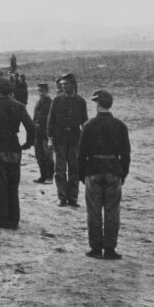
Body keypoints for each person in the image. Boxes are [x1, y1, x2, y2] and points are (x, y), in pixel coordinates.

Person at [77, 90, 131, 260]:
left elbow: (81, 154)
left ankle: (95, 248)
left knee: (93, 210)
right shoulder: (120, 126)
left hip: (93, 170)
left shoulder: (88, 125)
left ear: (98, 105)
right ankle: (110, 248)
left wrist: (82, 174)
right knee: (112, 210)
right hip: (114, 170)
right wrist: (123, 173)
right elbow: (126, 154)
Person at [0, 80, 35, 229]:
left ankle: (1, 219)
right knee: (13, 185)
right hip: (14, 147)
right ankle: (14, 219)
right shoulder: (19, 106)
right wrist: (28, 143)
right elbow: (31, 127)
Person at [47, 73, 88, 207]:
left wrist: (85, 141)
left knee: (74, 169)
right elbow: (51, 121)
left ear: (73, 85)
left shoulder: (81, 101)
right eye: (62, 85)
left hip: (75, 139)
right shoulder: (57, 100)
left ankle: (73, 198)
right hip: (60, 139)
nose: (63, 87)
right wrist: (50, 139)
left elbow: (84, 122)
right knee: (59, 170)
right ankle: (62, 197)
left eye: (66, 84)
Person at [32, 83, 54, 184]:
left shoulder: (51, 103)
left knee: (48, 156)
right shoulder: (38, 102)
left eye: (42, 90)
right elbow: (35, 117)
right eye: (39, 90)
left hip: (46, 133)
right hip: (38, 133)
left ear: (46, 91)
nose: (40, 92)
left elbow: (53, 119)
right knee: (39, 155)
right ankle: (43, 175)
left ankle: (49, 177)